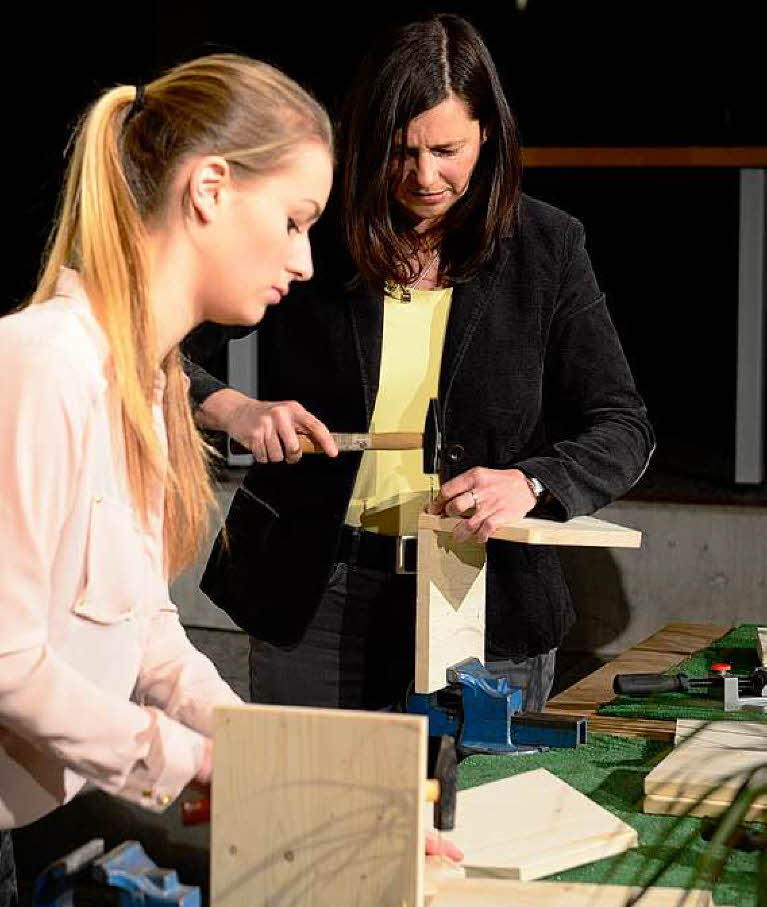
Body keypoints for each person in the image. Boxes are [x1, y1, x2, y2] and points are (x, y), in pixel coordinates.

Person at [187, 13, 654, 714]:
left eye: (446, 149)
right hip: (316, 593)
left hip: (484, 596)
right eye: (400, 151)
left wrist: (530, 482)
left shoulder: (546, 246)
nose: (423, 176)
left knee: (474, 820)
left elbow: (621, 425)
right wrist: (235, 408)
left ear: (487, 133)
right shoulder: (315, 229)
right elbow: (156, 348)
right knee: (314, 820)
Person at [0, 54, 335, 907]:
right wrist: (194, 762)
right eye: (295, 222)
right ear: (211, 188)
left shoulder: (149, 384)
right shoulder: (44, 365)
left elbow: (144, 633)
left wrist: (261, 753)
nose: (305, 261)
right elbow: (11, 659)